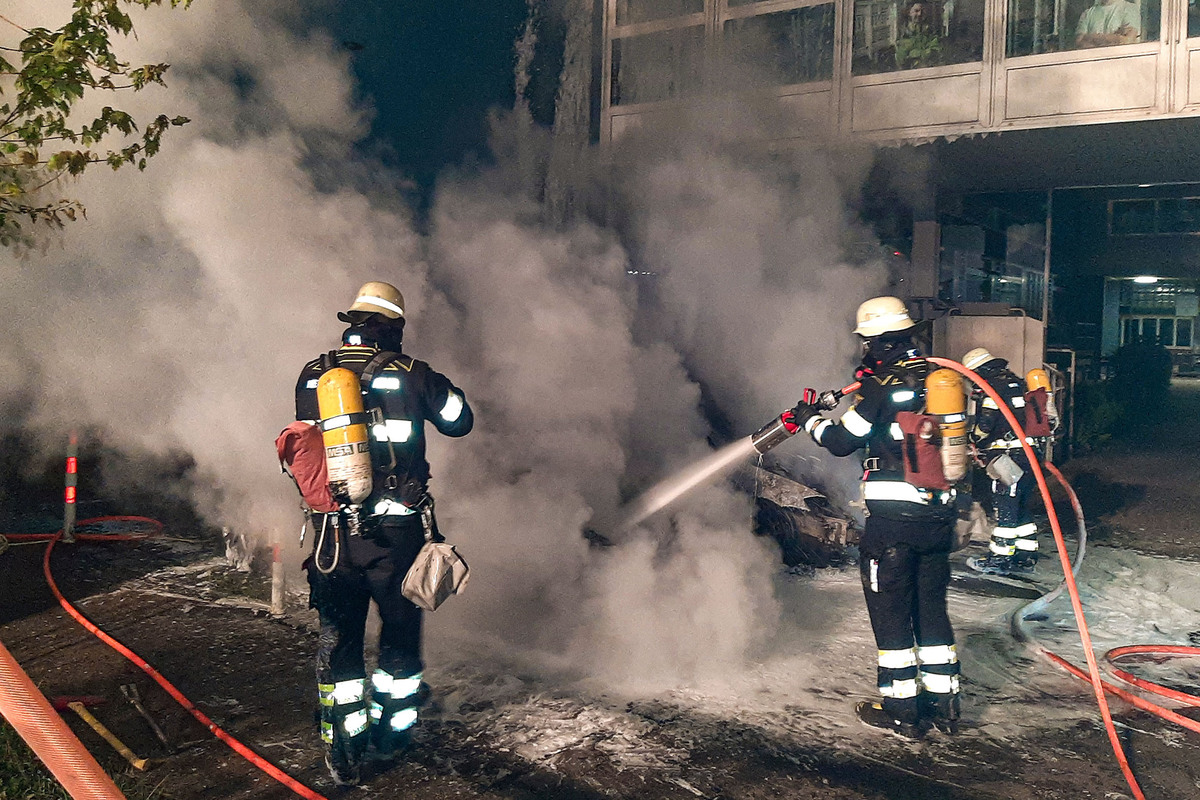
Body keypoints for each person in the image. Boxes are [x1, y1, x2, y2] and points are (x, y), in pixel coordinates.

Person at [292, 281, 474, 786]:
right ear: (393, 327)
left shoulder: (313, 374)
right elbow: (460, 421)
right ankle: (392, 735)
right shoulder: (413, 374)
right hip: (396, 538)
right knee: (398, 636)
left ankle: (342, 747)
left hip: (331, 537)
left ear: (352, 323)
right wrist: (438, 390)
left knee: (339, 638)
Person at [787, 296, 961, 738]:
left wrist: (810, 421)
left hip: (894, 527)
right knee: (932, 613)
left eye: (867, 342)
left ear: (880, 342)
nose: (864, 350)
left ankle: (902, 711)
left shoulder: (882, 388)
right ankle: (944, 705)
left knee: (891, 616)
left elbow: (842, 441)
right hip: (938, 519)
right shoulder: (939, 379)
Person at [960, 348, 1039, 577]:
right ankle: (1025, 557)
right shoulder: (1017, 382)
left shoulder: (993, 387)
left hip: (1009, 456)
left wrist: (972, 438)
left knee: (1005, 508)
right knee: (1021, 507)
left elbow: (986, 424)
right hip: (1030, 454)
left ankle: (999, 559)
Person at [1075, 0, 1141, 48]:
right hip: (1092, 61)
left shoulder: (1130, 9)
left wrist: (1090, 37)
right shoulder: (1088, 13)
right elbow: (1079, 43)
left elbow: (1127, 41)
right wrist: (1115, 37)